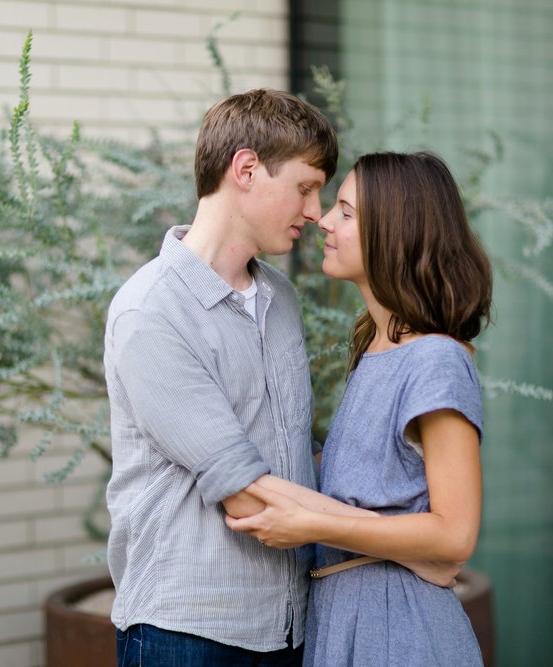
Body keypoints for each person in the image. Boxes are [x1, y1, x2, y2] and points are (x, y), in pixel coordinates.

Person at [226, 151, 493, 666]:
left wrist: (312, 525)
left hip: (401, 631)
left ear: (395, 233)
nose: (323, 219)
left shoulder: (434, 360)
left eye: (345, 212)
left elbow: (456, 534)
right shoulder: (374, 344)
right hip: (343, 619)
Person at [102, 88, 339, 666]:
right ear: (247, 168)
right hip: (185, 634)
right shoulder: (150, 310)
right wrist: (415, 541)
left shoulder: (280, 298)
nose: (315, 210)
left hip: (288, 627)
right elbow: (244, 492)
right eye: (306, 187)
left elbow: (290, 451)